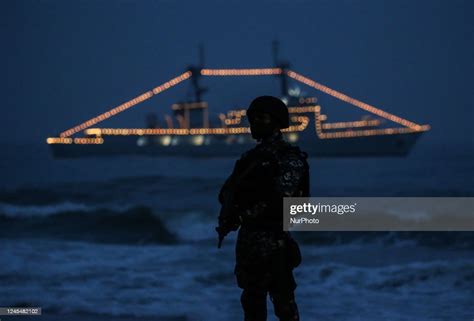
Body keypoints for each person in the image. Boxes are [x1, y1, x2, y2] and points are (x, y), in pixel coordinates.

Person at [216, 95, 310, 321]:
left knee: (285, 307)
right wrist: (231, 213)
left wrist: (246, 213)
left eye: (261, 118)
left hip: (274, 242)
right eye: (253, 118)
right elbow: (228, 192)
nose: (255, 123)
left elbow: (282, 198)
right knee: (251, 305)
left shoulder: (288, 157)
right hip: (249, 243)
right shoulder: (250, 159)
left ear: (276, 122)